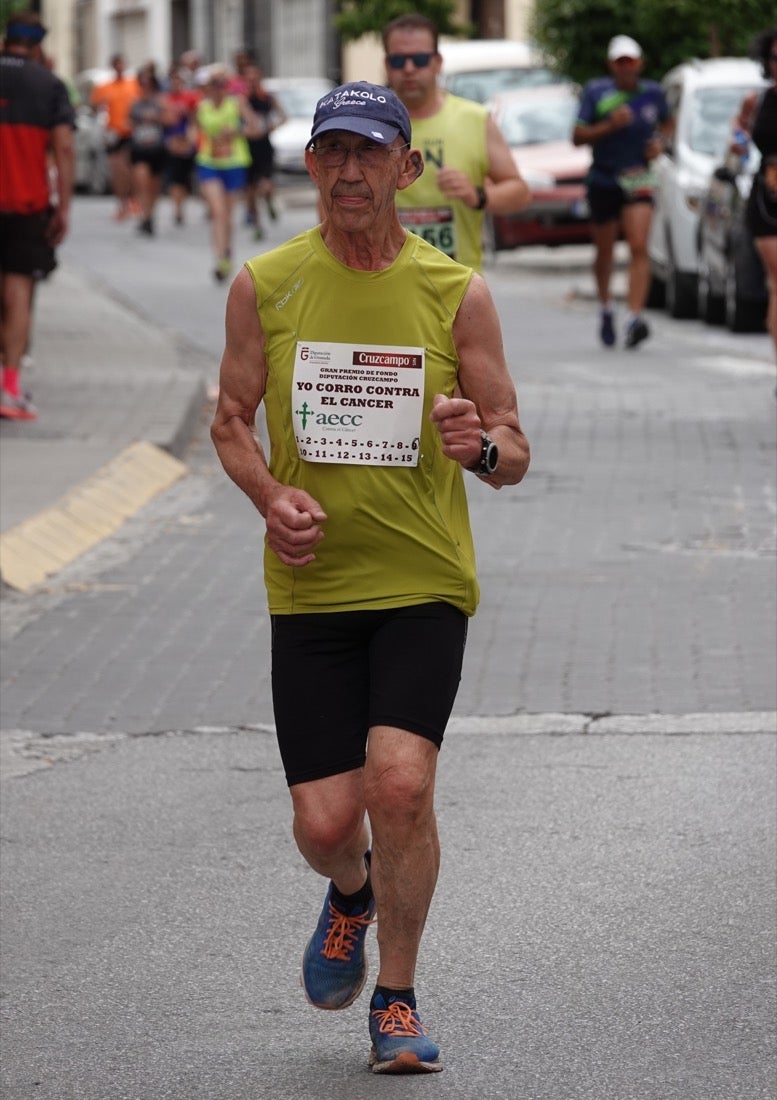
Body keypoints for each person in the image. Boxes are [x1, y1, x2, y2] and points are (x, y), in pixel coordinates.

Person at [210, 81, 530, 1074]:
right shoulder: (265, 284)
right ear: (310, 164)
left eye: (370, 152)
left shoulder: (455, 291)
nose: (350, 172)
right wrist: (270, 495)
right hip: (312, 586)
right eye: (333, 152)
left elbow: (513, 448)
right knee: (325, 823)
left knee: (399, 784)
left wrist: (480, 448)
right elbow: (229, 420)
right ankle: (349, 891)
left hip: (423, 580)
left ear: (407, 166)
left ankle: (396, 996)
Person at [381, 12, 530, 273]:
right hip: (385, 281)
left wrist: (477, 195)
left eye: (420, 59)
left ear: (437, 62)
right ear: (386, 64)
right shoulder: (370, 124)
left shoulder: (474, 119)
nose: (409, 68)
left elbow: (520, 193)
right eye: (398, 60)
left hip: (456, 282)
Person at [573, 35, 673, 349]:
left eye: (631, 61)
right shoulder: (597, 92)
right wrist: (609, 126)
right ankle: (606, 307)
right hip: (604, 177)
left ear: (640, 63)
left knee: (639, 245)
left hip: (638, 176)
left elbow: (668, 123)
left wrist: (660, 143)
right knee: (605, 250)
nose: (626, 67)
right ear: (612, 65)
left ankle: (634, 317)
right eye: (620, 62)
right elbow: (577, 136)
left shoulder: (652, 92)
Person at [0, 11, 74, 421]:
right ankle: (9, 388)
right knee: (18, 294)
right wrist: (63, 207)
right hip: (25, 205)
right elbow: (64, 148)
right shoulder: (49, 85)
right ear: (38, 47)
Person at [731, 27, 777, 361]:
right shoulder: (756, 100)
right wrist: (738, 143)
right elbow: (738, 132)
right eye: (775, 58)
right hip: (768, 201)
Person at [192, 66, 257, 282]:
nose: (218, 89)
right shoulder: (202, 107)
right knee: (218, 212)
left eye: (222, 84)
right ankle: (220, 258)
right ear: (208, 87)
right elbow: (194, 130)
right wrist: (189, 140)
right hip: (208, 162)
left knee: (227, 214)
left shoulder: (236, 103)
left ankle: (227, 250)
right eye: (214, 84)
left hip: (234, 162)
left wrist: (236, 131)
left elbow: (254, 127)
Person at [91, 54, 141, 221]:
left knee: (130, 169)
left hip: (130, 132)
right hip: (113, 133)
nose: (119, 67)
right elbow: (95, 107)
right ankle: (121, 205)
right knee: (117, 170)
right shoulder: (105, 87)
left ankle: (133, 200)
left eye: (122, 64)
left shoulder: (133, 84)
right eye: (116, 64)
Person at [243, 63, 286, 239]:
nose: (252, 80)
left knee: (266, 186)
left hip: (264, 146)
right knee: (250, 191)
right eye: (248, 77)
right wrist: (245, 131)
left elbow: (283, 117)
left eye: (254, 77)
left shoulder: (268, 98)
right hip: (246, 148)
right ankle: (257, 226)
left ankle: (268, 201)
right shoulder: (242, 99)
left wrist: (271, 127)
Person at [128, 64, 167, 236]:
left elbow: (170, 120)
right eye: (142, 82)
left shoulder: (161, 101)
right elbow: (127, 123)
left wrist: (156, 117)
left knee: (154, 186)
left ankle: (150, 215)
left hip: (157, 148)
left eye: (148, 82)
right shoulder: (135, 103)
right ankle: (145, 217)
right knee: (141, 182)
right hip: (140, 148)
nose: (145, 86)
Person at [162, 67, 200, 226]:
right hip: (172, 141)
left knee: (185, 177)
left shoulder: (191, 98)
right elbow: (164, 120)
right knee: (175, 178)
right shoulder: (165, 99)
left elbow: (195, 119)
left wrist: (191, 139)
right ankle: (177, 209)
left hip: (187, 141)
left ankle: (182, 204)